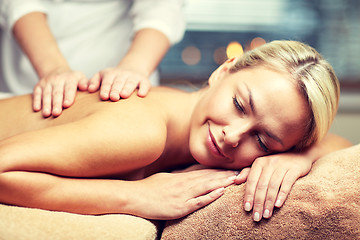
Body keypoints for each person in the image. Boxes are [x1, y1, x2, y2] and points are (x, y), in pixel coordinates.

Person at [0, 40, 352, 222]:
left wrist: (299, 157)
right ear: (223, 71)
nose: (234, 135)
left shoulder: (184, 126)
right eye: (240, 105)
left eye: (262, 140)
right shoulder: (142, 133)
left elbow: (344, 145)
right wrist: (138, 198)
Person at [0, 0, 185, 117]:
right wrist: (53, 69)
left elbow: (163, 7)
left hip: (125, 87)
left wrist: (134, 67)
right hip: (26, 85)